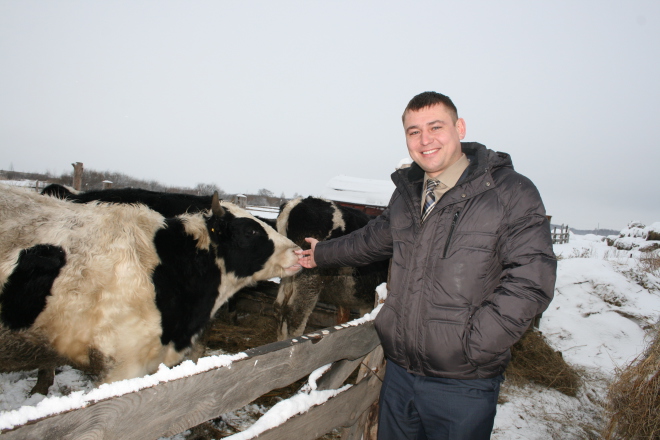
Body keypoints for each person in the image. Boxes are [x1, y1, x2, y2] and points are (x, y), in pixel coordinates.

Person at [296, 91, 556, 440]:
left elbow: (531, 280)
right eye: (413, 131)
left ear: (459, 127)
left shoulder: (509, 192)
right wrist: (321, 254)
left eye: (436, 127)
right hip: (401, 373)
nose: (425, 140)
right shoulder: (408, 193)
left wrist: (474, 346)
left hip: (463, 383)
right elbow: (372, 239)